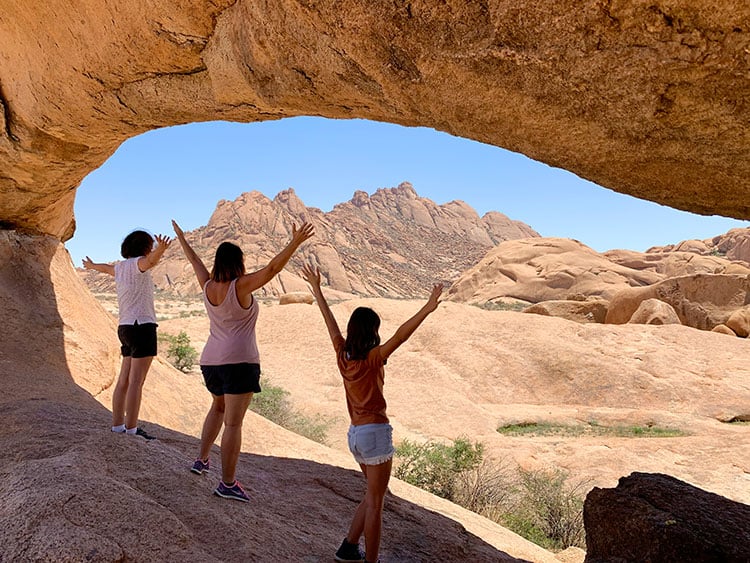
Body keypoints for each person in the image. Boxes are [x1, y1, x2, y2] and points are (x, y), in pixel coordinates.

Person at [301, 264, 443, 563]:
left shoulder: (343, 355)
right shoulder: (374, 357)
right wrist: (427, 309)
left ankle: (349, 547)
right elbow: (401, 336)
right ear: (373, 331)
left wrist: (317, 290)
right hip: (375, 434)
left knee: (371, 495)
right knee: (377, 502)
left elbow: (331, 324)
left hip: (355, 435)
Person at [172, 219, 315, 502]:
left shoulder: (208, 286)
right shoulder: (241, 287)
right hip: (239, 362)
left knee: (217, 406)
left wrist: (182, 239)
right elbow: (273, 269)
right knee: (234, 424)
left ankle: (201, 460)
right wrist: (295, 243)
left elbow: (195, 263)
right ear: (239, 263)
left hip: (211, 361)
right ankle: (227, 483)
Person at [82, 230, 172, 440]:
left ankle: (117, 426)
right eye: (149, 245)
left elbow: (105, 269)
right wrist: (161, 249)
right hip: (142, 326)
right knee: (136, 382)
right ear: (144, 247)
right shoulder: (138, 264)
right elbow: (150, 262)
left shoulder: (120, 267)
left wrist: (92, 266)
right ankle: (132, 430)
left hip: (125, 327)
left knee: (124, 380)